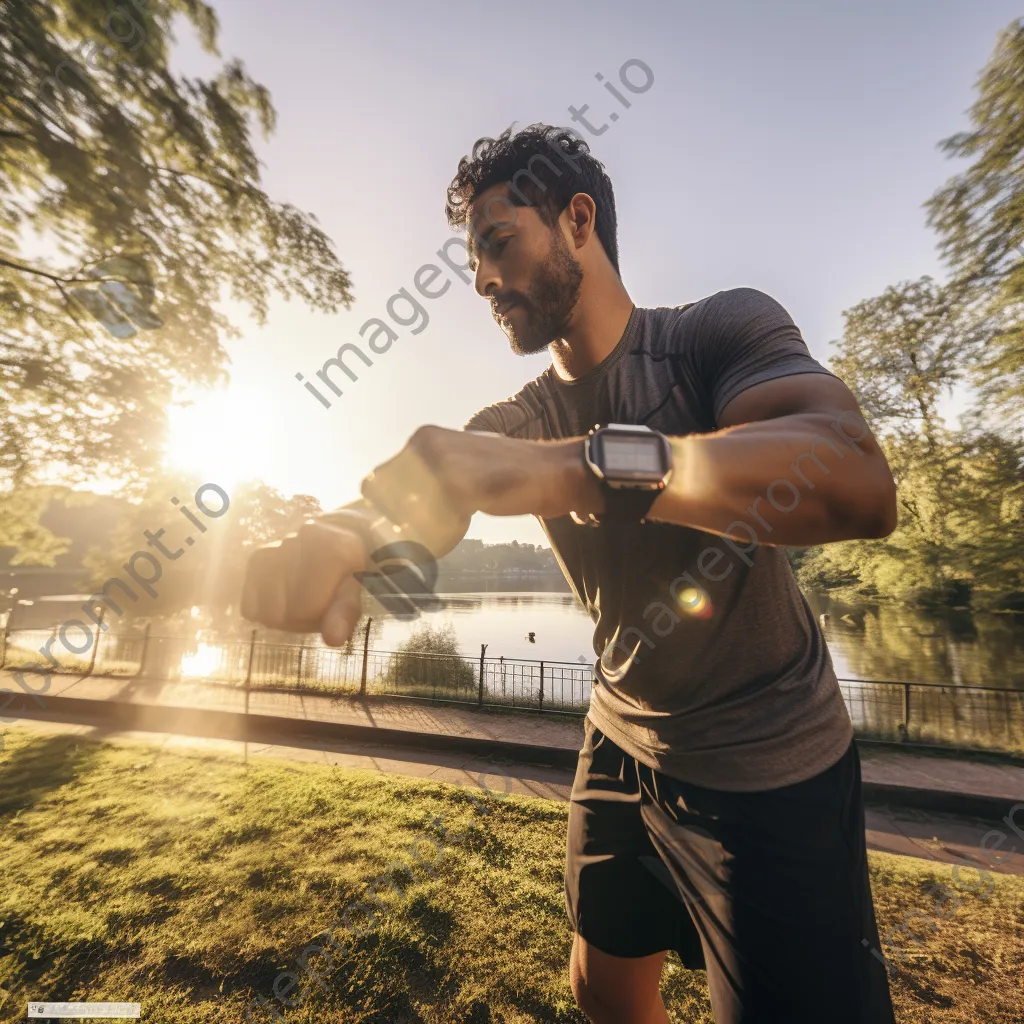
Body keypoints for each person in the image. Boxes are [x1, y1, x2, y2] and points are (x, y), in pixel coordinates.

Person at [241, 123, 898, 1024]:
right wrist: (338, 535)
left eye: (497, 243)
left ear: (577, 220)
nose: (480, 280)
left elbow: (854, 475)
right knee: (601, 993)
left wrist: (571, 471)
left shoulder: (718, 334)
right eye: (474, 258)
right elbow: (431, 490)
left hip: (772, 764)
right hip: (622, 740)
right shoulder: (520, 413)